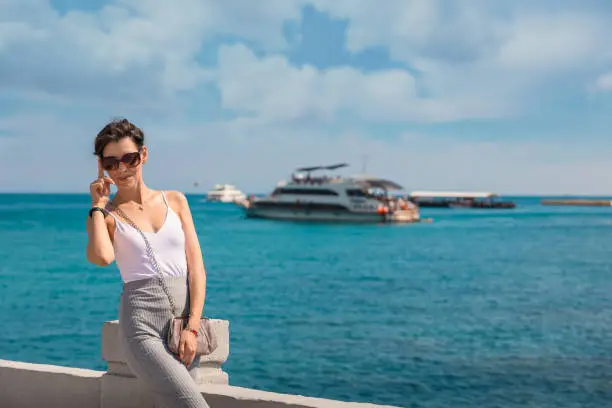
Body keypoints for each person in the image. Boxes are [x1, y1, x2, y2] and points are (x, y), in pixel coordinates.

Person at [85, 118, 209, 408]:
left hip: (182, 325)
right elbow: (101, 257)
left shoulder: (175, 201)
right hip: (142, 326)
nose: (121, 169)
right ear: (102, 166)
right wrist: (98, 206)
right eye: (111, 162)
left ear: (143, 155)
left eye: (129, 158)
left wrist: (191, 328)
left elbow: (197, 269)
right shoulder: (107, 215)